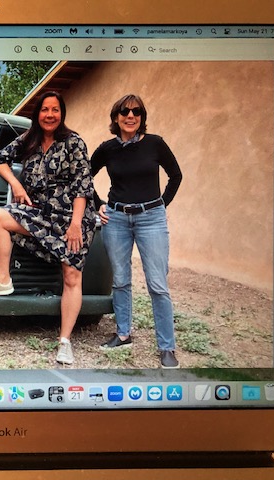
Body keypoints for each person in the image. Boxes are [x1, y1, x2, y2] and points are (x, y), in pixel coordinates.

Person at [0, 91, 97, 365]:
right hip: (40, 213)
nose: (49, 115)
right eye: (44, 110)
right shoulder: (29, 139)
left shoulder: (74, 142)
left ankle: (65, 342)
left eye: (55, 110)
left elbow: (83, 185)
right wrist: (16, 184)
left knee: (72, 276)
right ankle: (3, 281)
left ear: (61, 113)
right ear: (37, 113)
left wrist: (76, 224)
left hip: (71, 217)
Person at [91, 94, 183, 369]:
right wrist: (98, 204)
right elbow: (84, 176)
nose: (130, 116)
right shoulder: (107, 149)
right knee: (120, 280)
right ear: (116, 117)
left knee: (157, 284)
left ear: (142, 117)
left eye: (136, 111)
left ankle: (166, 347)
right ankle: (123, 334)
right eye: (124, 111)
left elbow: (176, 175)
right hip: (116, 219)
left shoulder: (155, 144)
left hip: (151, 219)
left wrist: (161, 205)